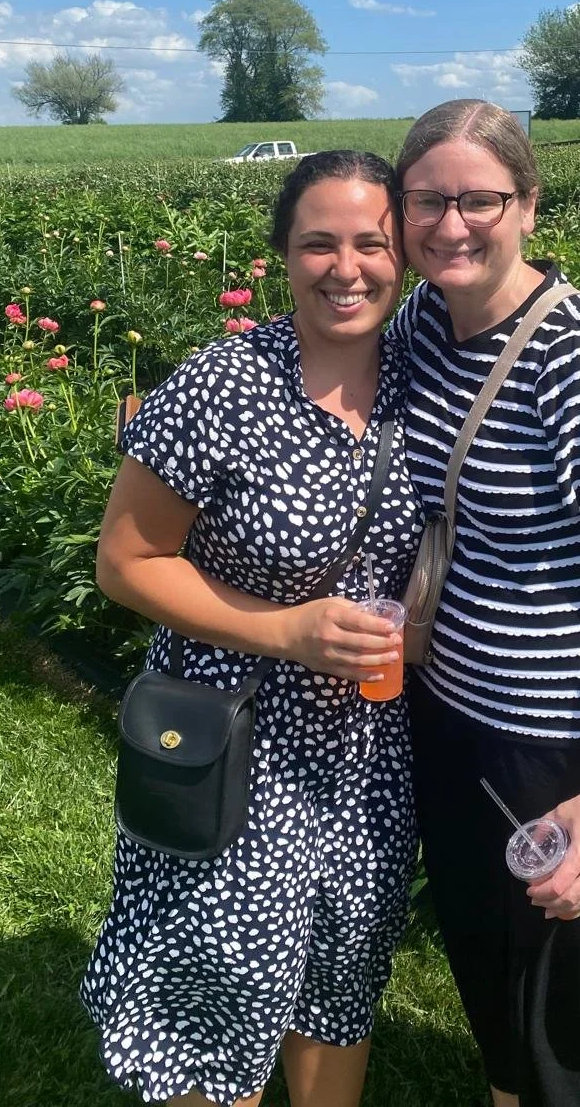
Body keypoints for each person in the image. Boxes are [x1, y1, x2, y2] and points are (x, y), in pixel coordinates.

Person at [82, 150, 423, 1107]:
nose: (346, 268)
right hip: (233, 733)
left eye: (372, 243)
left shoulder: (422, 375)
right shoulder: (223, 386)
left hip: (366, 747)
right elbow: (125, 562)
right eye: (319, 243)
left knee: (342, 970)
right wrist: (288, 633)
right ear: (282, 254)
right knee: (216, 980)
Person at [392, 101, 580, 1107]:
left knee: (571, 1015)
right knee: (486, 960)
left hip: (563, 743)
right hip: (449, 714)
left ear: (527, 203)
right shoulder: (423, 323)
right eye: (428, 199)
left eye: (479, 199)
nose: (450, 224)